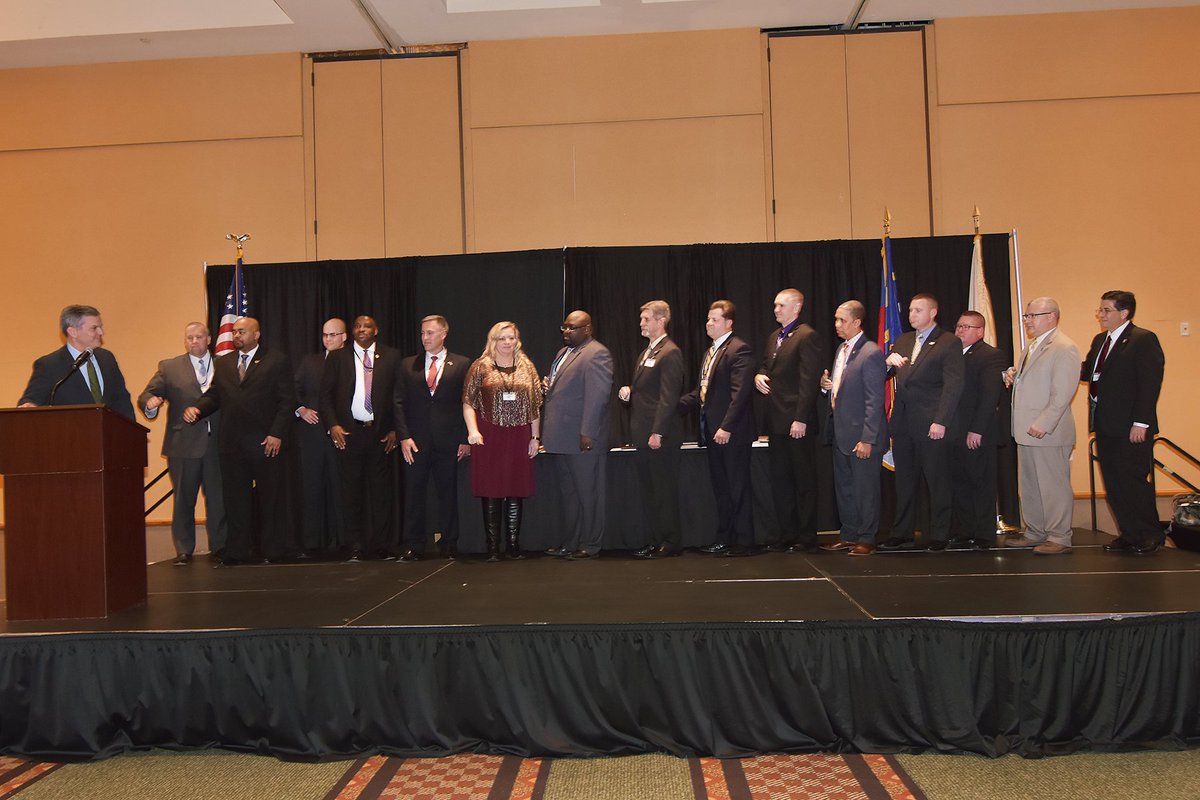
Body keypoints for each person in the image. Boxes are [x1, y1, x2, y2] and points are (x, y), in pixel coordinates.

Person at [183, 317, 296, 566]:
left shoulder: (276, 360)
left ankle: (273, 549)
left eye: (242, 331)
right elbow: (215, 394)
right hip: (232, 443)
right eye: (234, 332)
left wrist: (277, 433)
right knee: (235, 499)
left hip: (266, 440)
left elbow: (287, 401)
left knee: (270, 497)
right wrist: (198, 409)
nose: (236, 335)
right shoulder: (223, 363)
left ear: (257, 334)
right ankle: (238, 550)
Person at [1083, 290, 1166, 554]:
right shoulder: (1100, 341)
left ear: (1124, 313)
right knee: (1114, 483)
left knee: (1134, 482)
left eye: (1106, 310)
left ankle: (1150, 534)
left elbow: (1149, 383)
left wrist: (1141, 422)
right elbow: (1087, 371)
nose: (1101, 315)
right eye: (1100, 310)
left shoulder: (1142, 339)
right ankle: (1129, 533)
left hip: (1131, 427)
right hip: (1105, 425)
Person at [878, 293, 963, 552]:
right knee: (904, 481)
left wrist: (941, 420)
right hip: (904, 423)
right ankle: (902, 531)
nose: (912, 315)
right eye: (911, 310)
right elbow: (884, 373)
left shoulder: (948, 342)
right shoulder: (903, 340)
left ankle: (939, 534)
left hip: (931, 423)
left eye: (918, 310)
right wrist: (886, 362)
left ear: (933, 313)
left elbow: (953, 385)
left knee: (937, 480)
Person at [138, 322, 227, 565]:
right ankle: (184, 550)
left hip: (217, 444)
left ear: (209, 339)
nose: (194, 341)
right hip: (183, 444)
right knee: (184, 498)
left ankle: (220, 547)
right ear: (184, 341)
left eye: (199, 337)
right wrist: (151, 403)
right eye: (189, 338)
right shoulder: (169, 367)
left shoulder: (224, 364)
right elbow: (147, 394)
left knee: (218, 498)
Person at [319, 315, 401, 561]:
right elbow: (325, 397)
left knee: (381, 494)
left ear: (375, 330)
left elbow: (399, 396)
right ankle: (354, 544)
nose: (362, 329)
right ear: (352, 332)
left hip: (381, 435)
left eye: (367, 326)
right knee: (350, 493)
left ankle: (382, 545)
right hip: (348, 434)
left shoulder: (392, 356)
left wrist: (396, 430)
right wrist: (332, 425)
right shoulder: (338, 357)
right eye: (357, 326)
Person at [1003, 297, 1080, 555]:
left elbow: (1063, 393)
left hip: (1048, 431)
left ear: (1052, 316)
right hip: (1025, 429)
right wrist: (1014, 376)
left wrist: (1044, 422)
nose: (1028, 321)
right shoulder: (1032, 346)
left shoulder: (1064, 347)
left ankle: (1059, 536)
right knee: (1031, 485)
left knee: (1053, 485)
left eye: (1033, 316)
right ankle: (1035, 532)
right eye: (1027, 316)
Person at [679, 300, 757, 556]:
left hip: (731, 433)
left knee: (737, 486)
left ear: (728, 323)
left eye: (714, 319)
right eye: (708, 319)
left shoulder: (739, 349)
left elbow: (740, 393)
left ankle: (744, 541)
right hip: (712, 431)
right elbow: (702, 392)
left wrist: (726, 426)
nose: (708, 323)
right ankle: (725, 537)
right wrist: (673, 406)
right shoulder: (710, 352)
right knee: (722, 488)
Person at [463, 321, 543, 561]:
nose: (507, 342)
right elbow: (468, 402)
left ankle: (513, 546)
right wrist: (473, 431)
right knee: (492, 488)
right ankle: (493, 548)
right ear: (493, 341)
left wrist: (535, 437)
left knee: (515, 488)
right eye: (502, 338)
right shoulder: (481, 366)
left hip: (519, 434)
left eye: (512, 338)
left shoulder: (527, 366)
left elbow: (535, 405)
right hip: (489, 433)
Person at [395, 315, 471, 559]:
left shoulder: (461, 364)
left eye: (430, 333)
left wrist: (464, 438)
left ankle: (450, 542)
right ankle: (413, 543)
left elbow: (467, 403)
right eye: (422, 333)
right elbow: (397, 402)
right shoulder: (408, 365)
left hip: (448, 440)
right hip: (415, 441)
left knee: (448, 492)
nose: (425, 338)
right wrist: (404, 436)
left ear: (443, 334)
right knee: (414, 493)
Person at [541, 310, 614, 561]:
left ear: (587, 329)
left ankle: (590, 543)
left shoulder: (597, 354)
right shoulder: (563, 353)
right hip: (560, 437)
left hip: (582, 438)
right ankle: (570, 542)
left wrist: (587, 432)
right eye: (565, 327)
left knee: (588, 493)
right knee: (569, 495)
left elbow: (598, 397)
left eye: (573, 328)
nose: (567, 332)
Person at [754, 288, 823, 553]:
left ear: (797, 308)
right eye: (774, 305)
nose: (776, 310)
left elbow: (808, 380)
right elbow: (765, 365)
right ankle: (786, 533)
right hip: (776, 420)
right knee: (781, 480)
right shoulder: (775, 337)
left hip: (797, 421)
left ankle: (806, 536)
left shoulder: (807, 336)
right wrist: (759, 375)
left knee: (803, 480)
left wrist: (801, 418)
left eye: (781, 305)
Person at [617, 301, 685, 559]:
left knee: (664, 491)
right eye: (641, 318)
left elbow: (668, 397)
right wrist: (630, 391)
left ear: (661, 321)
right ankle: (655, 538)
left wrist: (658, 432)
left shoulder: (670, 352)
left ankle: (671, 541)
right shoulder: (647, 352)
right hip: (643, 434)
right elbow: (649, 390)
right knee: (649, 491)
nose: (641, 323)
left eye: (646, 319)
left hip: (659, 436)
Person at [820, 301, 887, 556]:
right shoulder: (842, 349)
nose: (837, 325)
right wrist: (827, 386)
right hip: (841, 433)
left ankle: (867, 537)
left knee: (865, 488)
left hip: (862, 436)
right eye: (836, 320)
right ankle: (849, 534)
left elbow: (874, 400)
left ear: (857, 322)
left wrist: (867, 438)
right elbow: (844, 389)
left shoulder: (870, 352)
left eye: (842, 320)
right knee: (845, 487)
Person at [948, 311, 1006, 550]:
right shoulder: (951, 355)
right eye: (959, 326)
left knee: (980, 481)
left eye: (967, 327)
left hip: (976, 431)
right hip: (954, 431)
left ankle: (984, 532)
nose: (960, 331)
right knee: (960, 481)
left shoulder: (990, 355)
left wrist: (977, 429)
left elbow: (989, 396)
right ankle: (965, 529)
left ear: (980, 331)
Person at [19, 303, 134, 419]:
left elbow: (122, 400)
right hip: (71, 433)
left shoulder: (107, 358)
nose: (101, 332)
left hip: (109, 434)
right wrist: (30, 405)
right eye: (94, 328)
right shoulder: (49, 365)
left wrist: (132, 433)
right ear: (73, 332)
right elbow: (32, 399)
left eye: (100, 327)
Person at [293, 318, 347, 557]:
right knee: (311, 489)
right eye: (325, 335)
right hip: (312, 436)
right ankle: (312, 543)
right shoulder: (310, 362)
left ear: (344, 337)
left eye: (333, 335)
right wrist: (301, 409)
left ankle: (345, 541)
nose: (328, 339)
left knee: (343, 489)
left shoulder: (353, 361)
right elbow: (293, 390)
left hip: (344, 434)